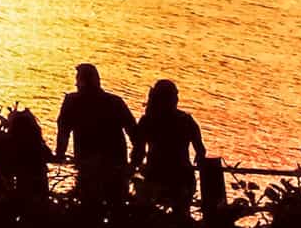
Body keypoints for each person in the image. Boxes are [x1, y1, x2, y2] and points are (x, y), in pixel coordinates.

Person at [55, 64, 139, 209]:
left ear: (81, 81)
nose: (76, 84)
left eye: (78, 79)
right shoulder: (115, 102)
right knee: (116, 209)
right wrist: (133, 164)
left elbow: (63, 131)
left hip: (91, 169)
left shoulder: (72, 102)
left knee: (91, 209)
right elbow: (136, 136)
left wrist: (59, 154)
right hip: (115, 168)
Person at [134, 79, 206, 211]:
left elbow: (138, 153)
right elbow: (201, 151)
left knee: (145, 209)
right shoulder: (186, 121)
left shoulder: (147, 121)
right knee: (181, 214)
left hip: (155, 177)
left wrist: (133, 168)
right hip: (182, 179)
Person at [0, 106, 54, 220]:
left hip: (20, 194)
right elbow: (49, 156)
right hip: (38, 195)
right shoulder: (36, 144)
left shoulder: (7, 143)